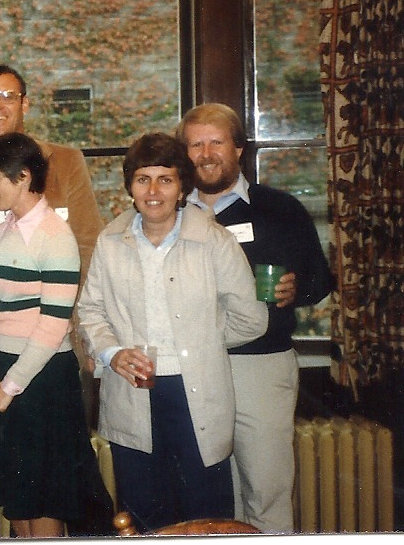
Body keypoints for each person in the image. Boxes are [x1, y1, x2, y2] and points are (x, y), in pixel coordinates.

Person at [76, 132, 268, 532]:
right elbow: (90, 310)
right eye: (142, 179)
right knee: (144, 516)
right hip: (133, 391)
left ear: (182, 186)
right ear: (130, 186)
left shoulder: (215, 241)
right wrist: (112, 353)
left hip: (197, 394)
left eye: (165, 179)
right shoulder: (110, 242)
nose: (153, 190)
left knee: (205, 518)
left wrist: (200, 345)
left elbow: (252, 319)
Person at [177, 103, 334, 532]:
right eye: (195, 144)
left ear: (239, 149)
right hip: (195, 368)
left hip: (261, 366)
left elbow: (321, 279)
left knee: (266, 489)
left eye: (216, 142)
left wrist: (295, 288)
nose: (206, 154)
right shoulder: (171, 216)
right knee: (215, 499)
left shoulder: (278, 209)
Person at [0, 132, 115, 538]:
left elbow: (53, 325)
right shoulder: (2, 232)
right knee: (15, 495)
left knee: (45, 496)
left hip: (42, 378)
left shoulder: (56, 237)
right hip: (4, 372)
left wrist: (11, 385)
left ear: (22, 178)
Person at [0, 65, 104, 416]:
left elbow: (89, 245)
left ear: (25, 104)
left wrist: (77, 322)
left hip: (57, 336)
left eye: (7, 97)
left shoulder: (65, 162)